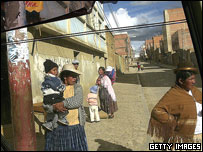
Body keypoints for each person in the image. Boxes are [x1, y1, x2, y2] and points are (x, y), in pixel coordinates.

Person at [147, 61, 202, 149]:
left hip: (199, 136)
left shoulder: (195, 91)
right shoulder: (173, 94)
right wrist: (172, 120)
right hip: (183, 139)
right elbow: (156, 111)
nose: (194, 82)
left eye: (194, 79)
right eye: (191, 79)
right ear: (181, 81)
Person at [43, 64, 88, 151]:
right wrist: (54, 108)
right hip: (58, 127)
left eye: (76, 76)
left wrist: (62, 104)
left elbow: (77, 101)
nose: (75, 78)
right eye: (72, 76)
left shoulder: (77, 87)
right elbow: (46, 105)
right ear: (65, 77)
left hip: (74, 126)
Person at [41, 59, 68, 131]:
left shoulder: (46, 79)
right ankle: (61, 118)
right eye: (54, 70)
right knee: (63, 104)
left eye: (57, 70)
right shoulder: (53, 79)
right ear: (48, 71)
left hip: (47, 98)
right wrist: (64, 86)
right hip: (54, 97)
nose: (56, 72)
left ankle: (48, 124)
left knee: (51, 113)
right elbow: (59, 88)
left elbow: (43, 89)